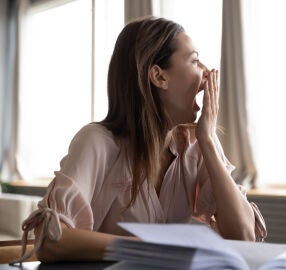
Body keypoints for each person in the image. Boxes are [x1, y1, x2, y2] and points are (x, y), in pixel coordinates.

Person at [16, 16, 266, 263]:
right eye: (195, 61)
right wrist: (153, 247)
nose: (207, 74)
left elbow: (243, 237)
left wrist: (208, 142)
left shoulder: (197, 144)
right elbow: (50, 240)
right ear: (159, 77)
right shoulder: (97, 142)